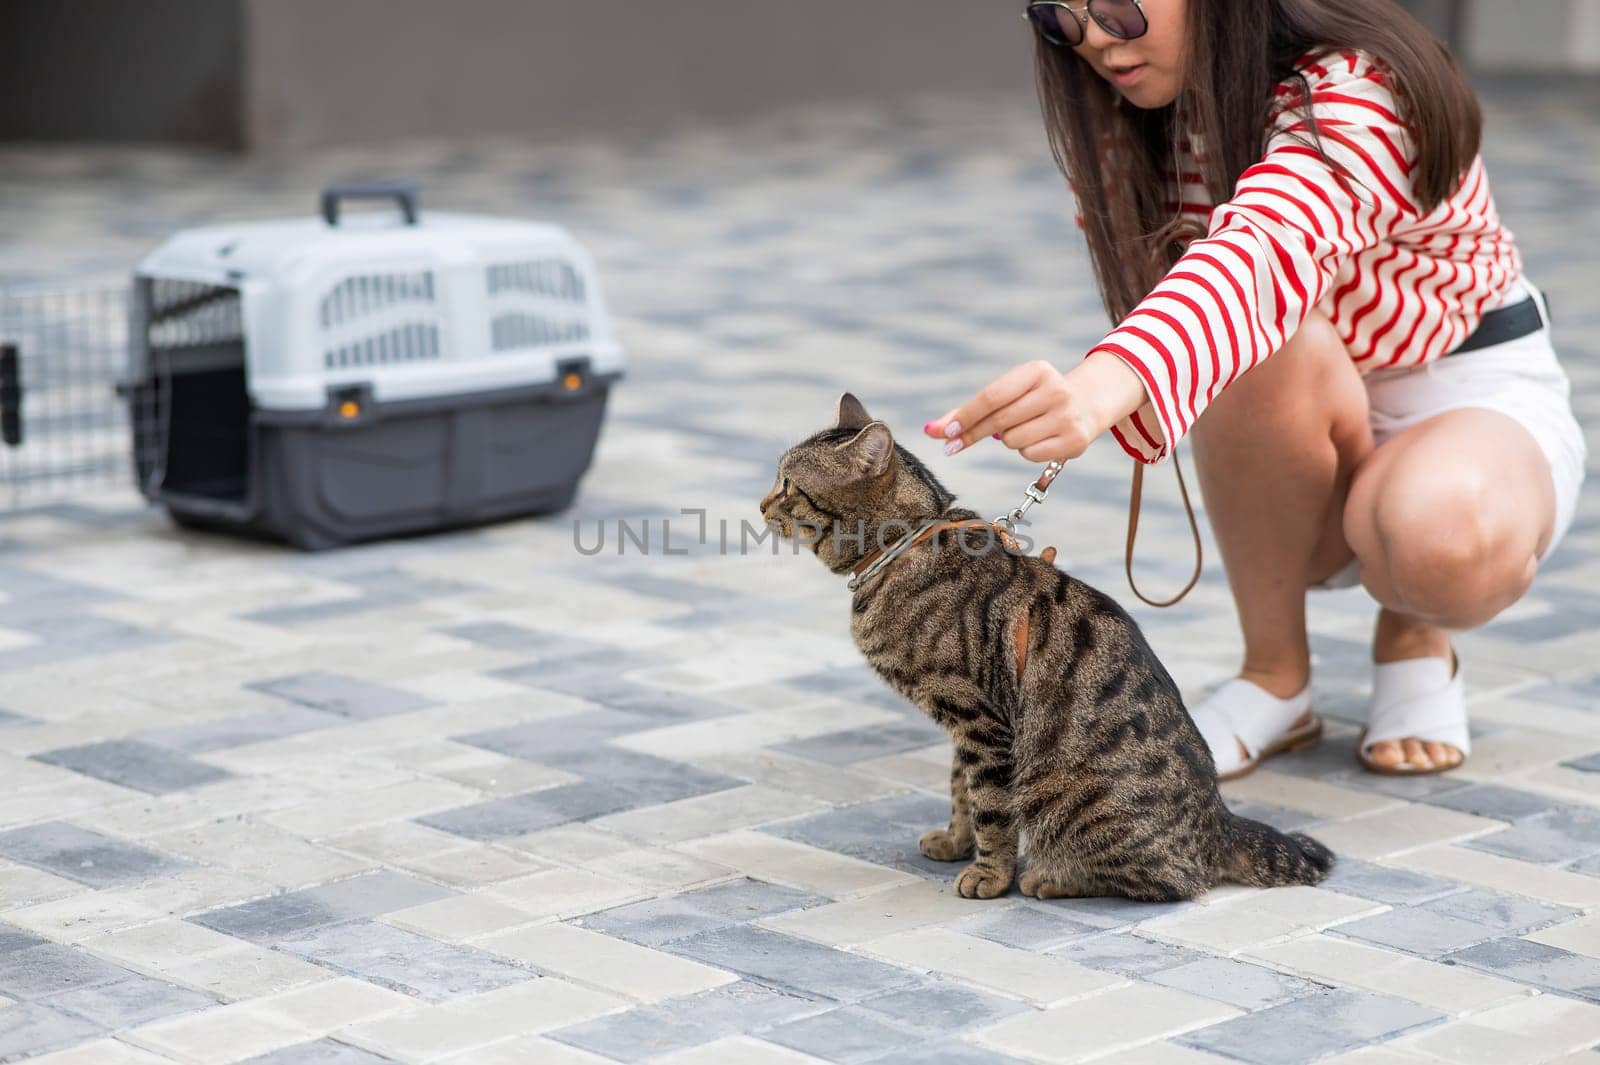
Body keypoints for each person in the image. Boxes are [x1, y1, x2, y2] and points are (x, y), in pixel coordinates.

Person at [925, 0, 1587, 778]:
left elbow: (1265, 252)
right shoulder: (1132, 113)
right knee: (1268, 342)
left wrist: (1106, 381)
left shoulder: (1362, 83)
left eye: (1117, 8)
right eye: (1059, 21)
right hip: (1300, 395)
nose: (1096, 40)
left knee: (1439, 537)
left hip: (1463, 383)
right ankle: (1275, 674)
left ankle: (1414, 633)